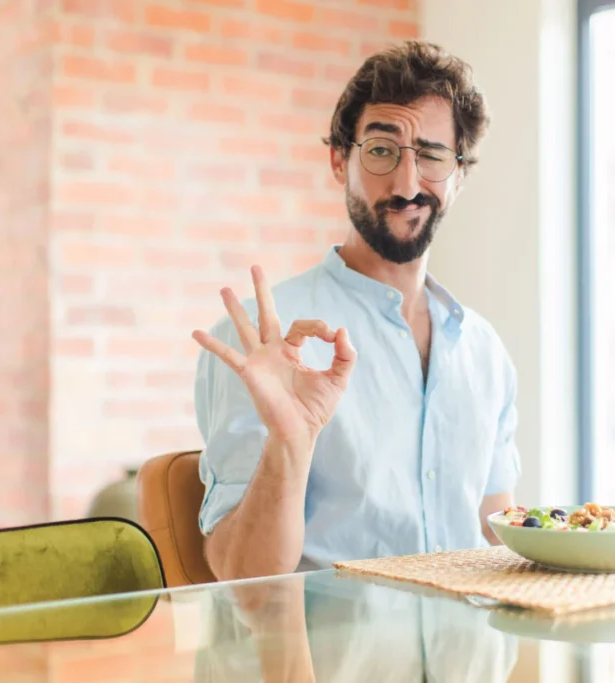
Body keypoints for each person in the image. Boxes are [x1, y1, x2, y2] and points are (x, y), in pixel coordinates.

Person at [191, 41, 521, 581]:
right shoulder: (264, 345)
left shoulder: (485, 350)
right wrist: (289, 443)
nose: (407, 184)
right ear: (339, 159)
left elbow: (496, 534)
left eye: (433, 156)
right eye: (381, 151)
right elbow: (241, 581)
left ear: (459, 176)